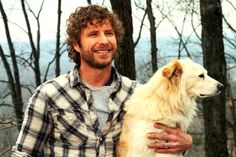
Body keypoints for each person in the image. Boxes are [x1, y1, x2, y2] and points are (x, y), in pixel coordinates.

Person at [11, 4, 192, 157]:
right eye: (93, 34)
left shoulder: (139, 95)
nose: (104, 40)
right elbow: (23, 153)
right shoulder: (49, 95)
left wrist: (185, 142)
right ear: (76, 44)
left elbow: (163, 141)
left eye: (109, 33)